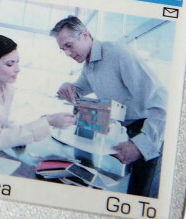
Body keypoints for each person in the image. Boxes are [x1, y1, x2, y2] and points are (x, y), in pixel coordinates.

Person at [52, 16, 166, 198]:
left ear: (85, 35)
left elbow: (161, 100)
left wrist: (141, 145)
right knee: (128, 192)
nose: (67, 53)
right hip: (130, 130)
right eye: (63, 49)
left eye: (69, 45)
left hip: (152, 132)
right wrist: (67, 87)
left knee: (141, 196)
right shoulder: (89, 65)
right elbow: (78, 89)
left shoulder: (117, 54)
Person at [0, 35, 74, 151]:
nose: (17, 69)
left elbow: (3, 125)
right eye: (10, 64)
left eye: (17, 62)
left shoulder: (8, 88)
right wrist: (49, 121)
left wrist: (39, 124)